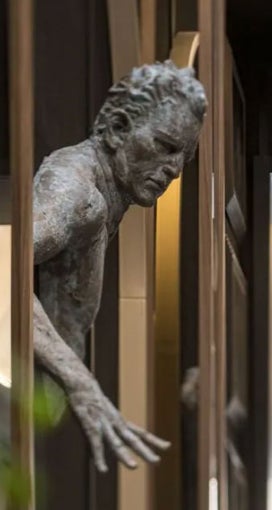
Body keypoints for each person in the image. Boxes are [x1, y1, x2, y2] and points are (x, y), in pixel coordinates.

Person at [33, 61, 207, 471]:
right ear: (117, 130)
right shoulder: (76, 192)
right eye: (165, 145)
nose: (175, 169)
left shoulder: (106, 196)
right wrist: (81, 384)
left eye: (185, 156)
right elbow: (4, 268)